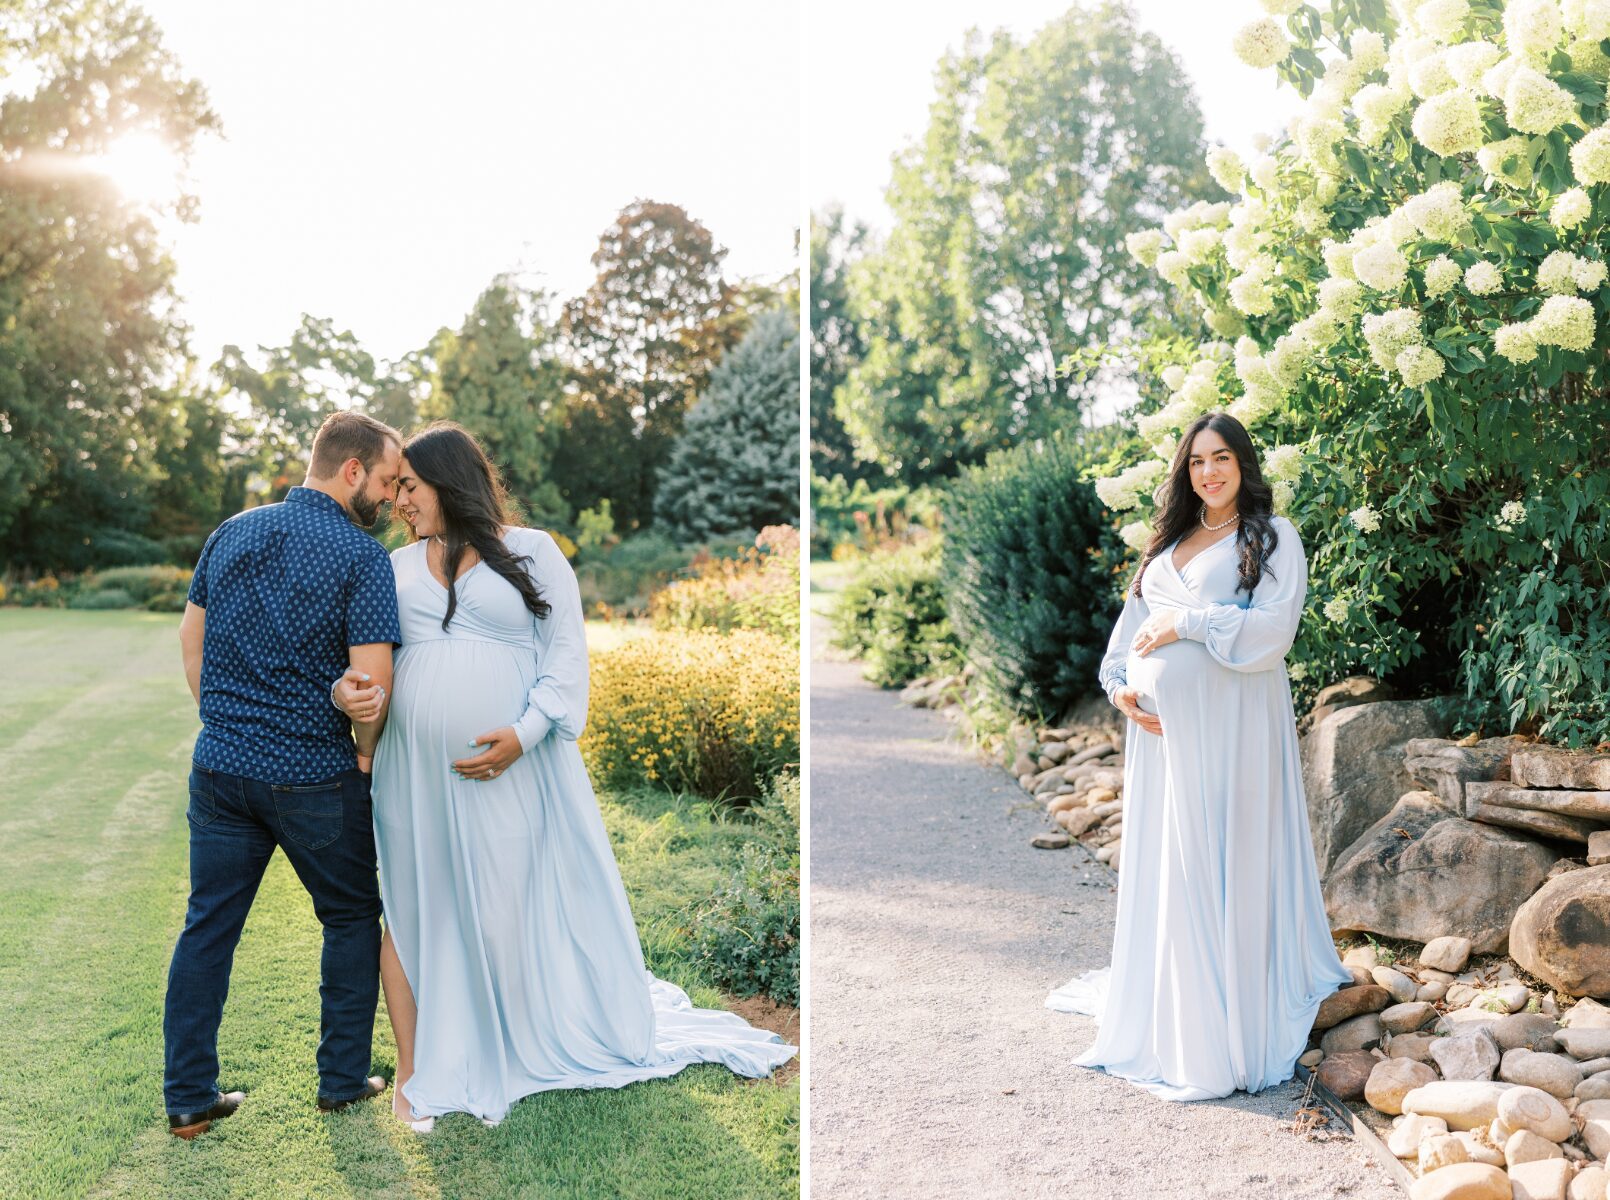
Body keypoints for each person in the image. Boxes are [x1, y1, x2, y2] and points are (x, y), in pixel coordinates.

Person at [333, 421, 796, 1131]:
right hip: (413, 776)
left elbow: (565, 660)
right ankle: (418, 1066)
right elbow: (365, 664)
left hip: (512, 771)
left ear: (449, 483)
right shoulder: (390, 569)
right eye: (395, 487)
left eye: (410, 486)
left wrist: (521, 736)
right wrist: (346, 696)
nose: (398, 500)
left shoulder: (533, 553)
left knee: (504, 901)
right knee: (413, 904)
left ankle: (512, 1041)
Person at [1045, 411, 1350, 1102]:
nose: (1209, 472)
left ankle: (1229, 1014)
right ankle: (1178, 999)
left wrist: (1190, 622)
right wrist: (1120, 688)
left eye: (1222, 459)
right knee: (1175, 860)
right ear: (1185, 472)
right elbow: (1129, 631)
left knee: (1227, 851)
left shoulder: (1272, 537)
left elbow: (1274, 629)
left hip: (1235, 726)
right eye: (1197, 462)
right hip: (1164, 739)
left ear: (1244, 464)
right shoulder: (1171, 541)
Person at [163, 411, 404, 1138]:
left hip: (222, 770)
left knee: (208, 927)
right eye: (389, 482)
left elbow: (191, 640)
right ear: (353, 470)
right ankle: (340, 1081)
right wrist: (363, 757)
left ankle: (188, 1099)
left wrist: (229, 724)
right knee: (353, 916)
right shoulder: (361, 559)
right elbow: (374, 687)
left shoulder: (230, 532)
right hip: (315, 777)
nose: (392, 500)